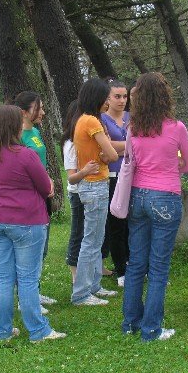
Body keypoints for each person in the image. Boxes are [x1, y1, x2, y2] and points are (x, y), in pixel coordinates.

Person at [0, 105, 66, 342]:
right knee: (27, 277)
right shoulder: (25, 154)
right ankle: (38, 330)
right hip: (26, 220)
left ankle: (3, 330)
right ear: (14, 126)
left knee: (2, 275)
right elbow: (47, 188)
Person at [122, 72, 188, 341]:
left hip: (138, 197)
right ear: (165, 96)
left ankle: (130, 322)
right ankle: (151, 329)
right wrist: (173, 164)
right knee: (158, 267)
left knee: (136, 263)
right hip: (165, 197)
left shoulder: (133, 128)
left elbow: (133, 162)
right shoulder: (177, 128)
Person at [70, 78, 120, 306]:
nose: (109, 102)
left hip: (90, 184)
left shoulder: (82, 119)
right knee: (91, 241)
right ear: (97, 98)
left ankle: (94, 286)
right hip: (95, 184)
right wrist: (103, 156)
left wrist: (101, 155)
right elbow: (113, 155)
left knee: (96, 238)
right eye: (106, 97)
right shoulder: (92, 122)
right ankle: (81, 293)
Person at [13, 91, 56, 310]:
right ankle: (25, 298)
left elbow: (41, 163)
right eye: (38, 108)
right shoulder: (17, 136)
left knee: (42, 247)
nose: (43, 112)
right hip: (28, 198)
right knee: (28, 250)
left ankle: (34, 291)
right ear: (23, 112)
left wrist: (48, 180)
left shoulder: (36, 131)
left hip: (42, 195)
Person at [61, 100, 100, 283]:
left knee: (91, 234)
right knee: (78, 233)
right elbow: (71, 177)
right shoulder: (70, 143)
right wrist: (85, 171)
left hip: (91, 191)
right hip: (78, 193)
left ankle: (92, 272)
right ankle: (75, 273)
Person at [101, 79, 130, 287]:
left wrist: (118, 148)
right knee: (116, 223)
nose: (121, 100)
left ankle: (133, 263)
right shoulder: (102, 119)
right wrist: (130, 144)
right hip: (111, 176)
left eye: (125, 96)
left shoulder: (132, 117)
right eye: (117, 96)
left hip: (131, 175)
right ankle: (121, 268)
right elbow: (105, 147)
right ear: (108, 99)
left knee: (132, 223)